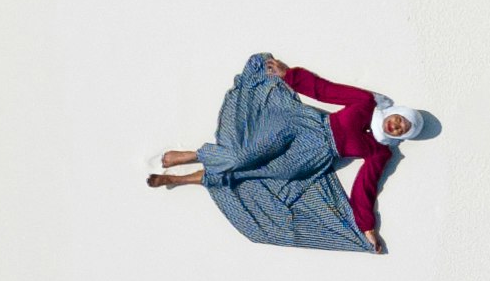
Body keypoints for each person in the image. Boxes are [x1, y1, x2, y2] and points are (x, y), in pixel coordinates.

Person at [149, 51, 442, 255]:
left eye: (404, 129)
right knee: (244, 155)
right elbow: (328, 91)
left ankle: (186, 180)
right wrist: (290, 76)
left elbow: (365, 187)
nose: (397, 125)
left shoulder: (381, 152)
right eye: (401, 118)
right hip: (302, 126)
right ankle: (192, 155)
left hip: (313, 158)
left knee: (251, 174)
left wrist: (367, 228)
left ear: (403, 134)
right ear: (397, 112)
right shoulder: (367, 102)